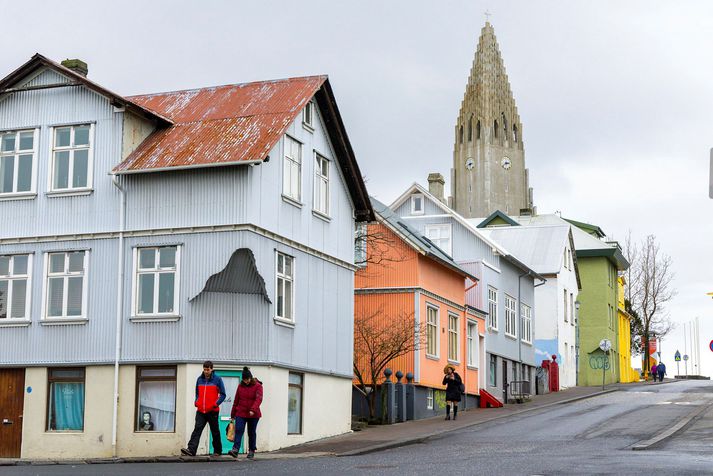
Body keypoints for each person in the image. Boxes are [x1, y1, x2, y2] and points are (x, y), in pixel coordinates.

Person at [181, 361, 227, 456]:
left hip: (213, 411)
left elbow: (223, 394)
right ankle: (191, 450)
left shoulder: (217, 379)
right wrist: (196, 401)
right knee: (197, 429)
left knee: (215, 431)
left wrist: (216, 403)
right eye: (204, 369)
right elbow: (197, 393)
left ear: (212, 369)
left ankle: (217, 451)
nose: (206, 371)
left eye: (208, 369)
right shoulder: (199, 379)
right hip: (201, 411)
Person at [228, 367, 263, 460]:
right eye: (244, 379)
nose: (246, 381)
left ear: (250, 378)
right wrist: (232, 415)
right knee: (239, 430)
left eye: (247, 379)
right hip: (241, 412)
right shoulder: (240, 386)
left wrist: (253, 409)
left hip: (253, 414)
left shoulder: (258, 386)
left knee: (251, 432)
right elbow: (236, 401)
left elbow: (258, 399)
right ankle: (235, 450)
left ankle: (251, 450)